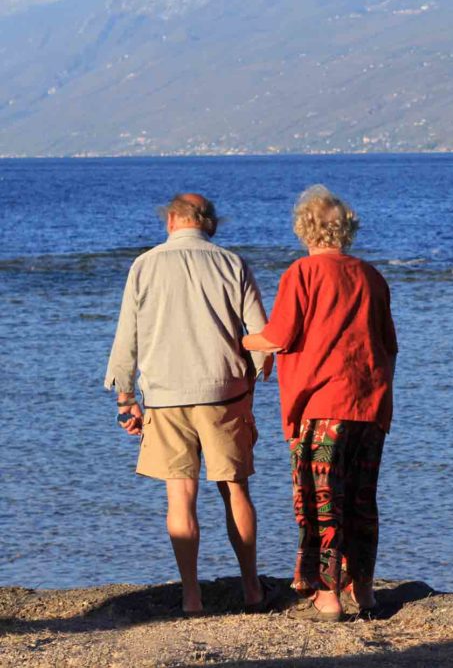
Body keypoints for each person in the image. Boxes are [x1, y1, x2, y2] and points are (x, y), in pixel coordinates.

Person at [105, 193, 274, 615]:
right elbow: (261, 339)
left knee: (180, 496)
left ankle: (191, 597)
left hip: (165, 397)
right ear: (209, 223)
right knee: (236, 491)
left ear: (172, 221)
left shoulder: (144, 265)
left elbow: (127, 339)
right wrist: (250, 392)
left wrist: (127, 401)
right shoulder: (231, 263)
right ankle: (252, 590)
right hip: (225, 393)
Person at [243, 184, 397, 622]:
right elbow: (389, 344)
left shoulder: (302, 274)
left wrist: (240, 340)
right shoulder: (371, 276)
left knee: (320, 502)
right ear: (345, 229)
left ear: (304, 228)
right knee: (362, 500)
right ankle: (363, 592)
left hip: (320, 404)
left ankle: (327, 595)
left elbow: (279, 337)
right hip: (369, 404)